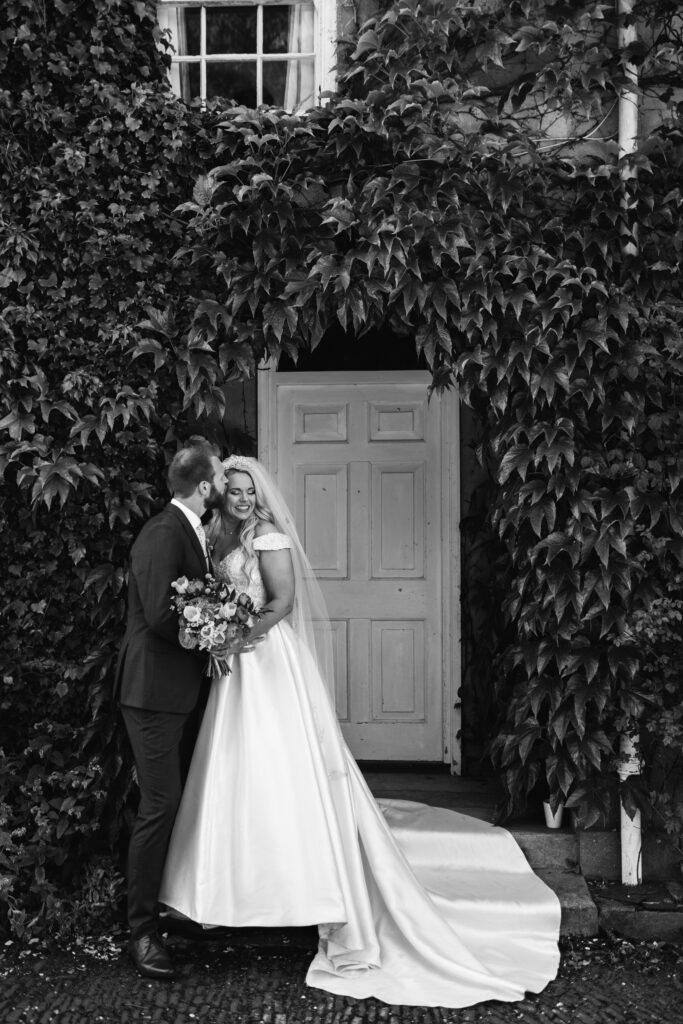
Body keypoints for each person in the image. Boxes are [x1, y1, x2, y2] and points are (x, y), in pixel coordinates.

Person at [158, 455, 561, 1008]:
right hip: (233, 669)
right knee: (232, 770)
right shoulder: (218, 534)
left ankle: (308, 890)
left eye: (250, 490)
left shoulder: (269, 537)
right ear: (221, 496)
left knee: (280, 766)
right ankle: (223, 894)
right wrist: (218, 633)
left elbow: (283, 603)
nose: (243, 499)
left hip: (268, 662)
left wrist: (237, 633)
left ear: (261, 495)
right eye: (234, 491)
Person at [115, 439, 227, 980]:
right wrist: (216, 631)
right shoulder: (164, 532)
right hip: (152, 693)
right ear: (204, 486)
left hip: (174, 692)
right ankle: (140, 933)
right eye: (221, 478)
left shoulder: (189, 529)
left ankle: (162, 908)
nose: (225, 486)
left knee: (172, 803)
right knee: (158, 806)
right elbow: (162, 615)